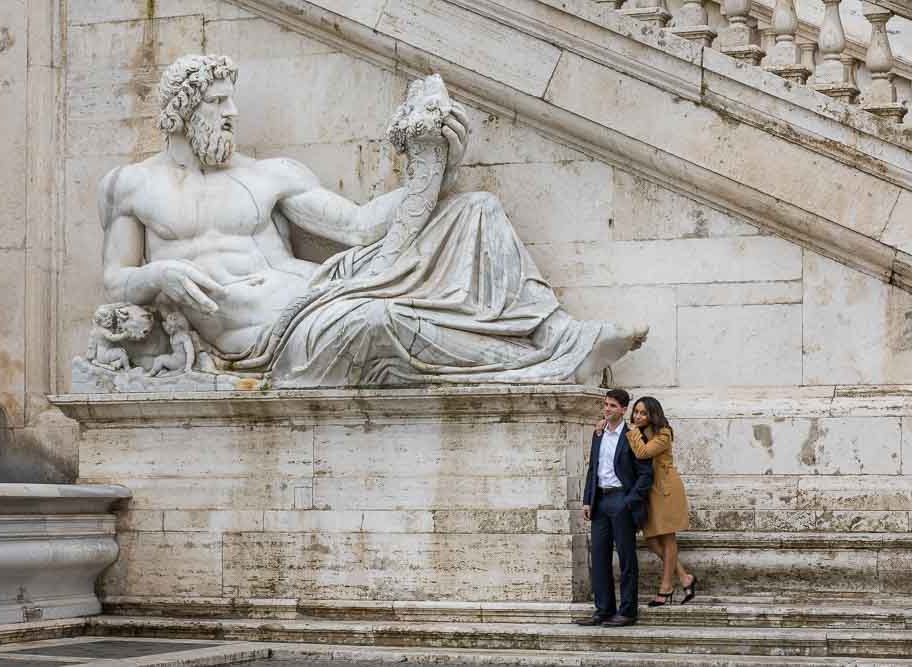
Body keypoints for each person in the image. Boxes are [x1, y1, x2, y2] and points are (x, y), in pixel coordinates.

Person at [97, 55, 648, 387]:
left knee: (476, 210)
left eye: (230, 100)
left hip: (319, 291)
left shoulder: (270, 175)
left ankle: (556, 333)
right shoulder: (133, 185)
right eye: (218, 102)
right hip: (265, 336)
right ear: (185, 109)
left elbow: (359, 227)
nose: (233, 113)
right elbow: (116, 278)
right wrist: (158, 277)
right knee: (376, 323)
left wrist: (434, 170)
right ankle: (540, 362)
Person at [576, 389, 654, 627]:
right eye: (605, 405)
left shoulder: (633, 436)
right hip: (600, 501)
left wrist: (629, 501)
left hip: (622, 500)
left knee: (627, 558)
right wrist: (588, 500)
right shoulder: (598, 433)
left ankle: (628, 611)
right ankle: (603, 610)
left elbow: (646, 474)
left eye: (612, 406)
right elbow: (593, 468)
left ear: (623, 409)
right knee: (599, 558)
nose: (607, 409)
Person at [626, 396, 698, 606]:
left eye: (643, 413)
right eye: (636, 412)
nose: (638, 416)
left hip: (666, 490)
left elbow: (642, 452)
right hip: (649, 491)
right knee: (650, 538)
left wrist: (631, 432)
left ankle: (666, 587)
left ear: (653, 415)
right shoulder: (638, 432)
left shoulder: (663, 433)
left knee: (667, 538)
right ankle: (685, 577)